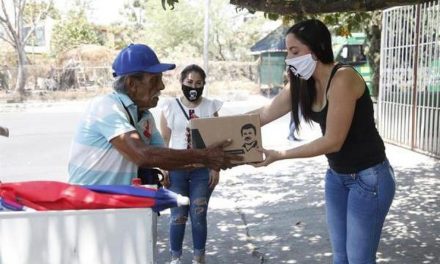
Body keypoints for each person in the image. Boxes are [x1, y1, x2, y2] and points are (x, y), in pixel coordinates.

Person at [250, 19, 395, 264]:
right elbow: (262, 116)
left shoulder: (343, 78)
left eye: (294, 51)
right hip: (337, 177)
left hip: (369, 179)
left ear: (316, 49)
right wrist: (216, 126)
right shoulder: (301, 83)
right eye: (287, 52)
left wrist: (281, 154)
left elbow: (333, 142)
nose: (289, 58)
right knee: (340, 257)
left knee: (358, 259)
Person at [68, 44, 239, 186]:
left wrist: (220, 159)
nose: (162, 86)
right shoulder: (106, 107)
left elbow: (165, 157)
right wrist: (206, 156)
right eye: (154, 80)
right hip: (90, 210)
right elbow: (143, 155)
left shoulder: (145, 117)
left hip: (120, 210)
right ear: (132, 84)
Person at [159, 64, 222, 264]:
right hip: (176, 170)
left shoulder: (211, 107)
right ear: (181, 82)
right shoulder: (169, 107)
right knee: (178, 216)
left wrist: (215, 168)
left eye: (198, 83)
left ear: (204, 85)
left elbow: (216, 141)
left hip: (201, 171)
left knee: (198, 213)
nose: (193, 87)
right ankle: (175, 258)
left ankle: (198, 258)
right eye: (189, 82)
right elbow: (164, 140)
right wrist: (163, 168)